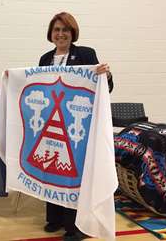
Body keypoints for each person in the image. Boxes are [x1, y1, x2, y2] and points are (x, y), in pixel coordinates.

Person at [39, 12, 113, 241]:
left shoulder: (85, 54)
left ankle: (76, 227)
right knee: (51, 167)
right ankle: (55, 218)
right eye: (57, 30)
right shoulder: (44, 58)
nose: (61, 34)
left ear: (73, 33)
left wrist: (106, 75)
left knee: (74, 173)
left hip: (78, 125)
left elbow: (105, 87)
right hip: (52, 122)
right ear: (51, 34)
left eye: (65, 30)